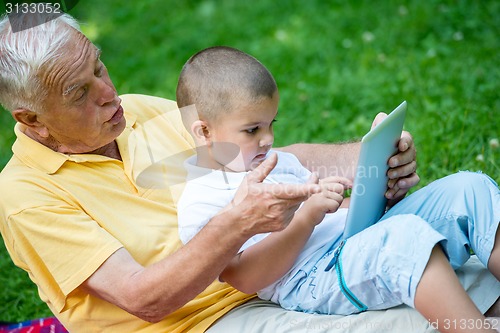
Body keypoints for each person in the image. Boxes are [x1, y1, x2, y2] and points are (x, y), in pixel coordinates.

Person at [0, 11, 497, 333]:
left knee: (464, 239)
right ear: (32, 120)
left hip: (308, 258)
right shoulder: (26, 195)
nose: (108, 93)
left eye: (99, 67)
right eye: (79, 93)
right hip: (203, 321)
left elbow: (251, 159)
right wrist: (242, 223)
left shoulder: (135, 114)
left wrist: (368, 160)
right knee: (419, 306)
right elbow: (142, 298)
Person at [175, 46, 500, 332]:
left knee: (470, 189)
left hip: (351, 242)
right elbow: (244, 277)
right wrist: (308, 217)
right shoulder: (202, 200)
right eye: (252, 129)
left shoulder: (277, 160)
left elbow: (336, 212)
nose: (268, 138)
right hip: (312, 278)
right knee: (404, 239)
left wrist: (377, 195)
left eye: (271, 123)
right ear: (204, 131)